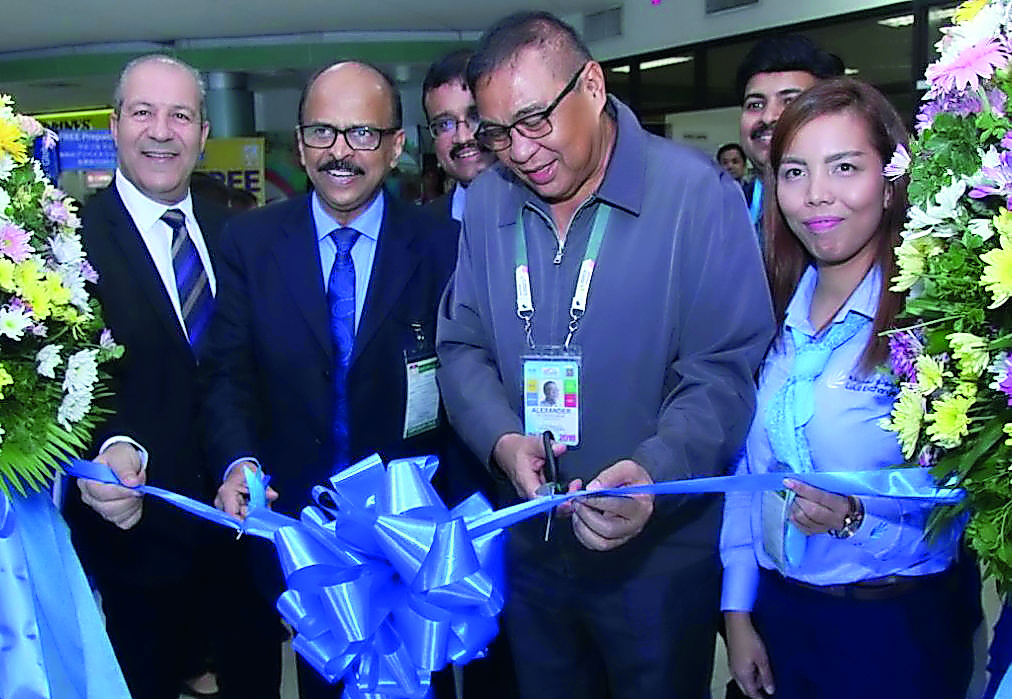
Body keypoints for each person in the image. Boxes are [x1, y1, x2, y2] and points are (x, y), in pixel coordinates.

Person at [436, 11, 774, 699]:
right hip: (533, 549)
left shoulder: (696, 198)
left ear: (591, 83)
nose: (520, 152)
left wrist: (654, 472)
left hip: (657, 565)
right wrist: (502, 438)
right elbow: (461, 344)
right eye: (499, 133)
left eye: (535, 121)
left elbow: (724, 370)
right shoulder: (488, 203)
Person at [199, 60, 461, 699]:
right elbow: (228, 373)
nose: (340, 152)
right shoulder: (251, 243)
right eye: (322, 131)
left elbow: (465, 385)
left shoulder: (443, 246)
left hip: (414, 543)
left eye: (363, 134)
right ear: (299, 140)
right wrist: (237, 462)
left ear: (397, 145)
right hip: (302, 541)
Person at [720, 78, 979, 699]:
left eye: (844, 168)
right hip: (782, 615)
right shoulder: (769, 310)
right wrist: (737, 613)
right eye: (794, 172)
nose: (816, 197)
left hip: (893, 631)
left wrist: (853, 520)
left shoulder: (937, 324)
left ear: (891, 180)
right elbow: (744, 475)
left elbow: (961, 502)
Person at [63, 54, 282, 699]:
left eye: (180, 115)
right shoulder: (66, 240)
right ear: (114, 124)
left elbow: (255, 370)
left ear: (204, 134)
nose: (162, 131)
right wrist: (108, 446)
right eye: (143, 113)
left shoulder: (242, 236)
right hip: (135, 548)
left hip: (242, 539)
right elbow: (48, 385)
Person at [736, 35, 844, 236]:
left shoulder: (850, 207)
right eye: (756, 104)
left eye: (790, 102)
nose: (769, 117)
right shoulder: (721, 210)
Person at [422, 49, 497, 222]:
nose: (463, 137)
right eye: (445, 124)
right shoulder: (420, 231)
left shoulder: (549, 213)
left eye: (475, 116)